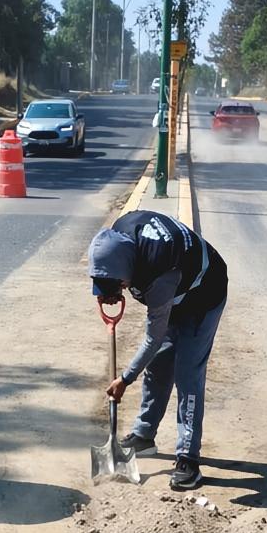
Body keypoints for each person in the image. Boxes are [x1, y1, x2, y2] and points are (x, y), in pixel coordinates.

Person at [87, 210, 227, 491]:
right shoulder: (118, 239)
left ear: (127, 272)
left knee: (188, 375)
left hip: (203, 294)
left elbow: (154, 336)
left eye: (117, 286)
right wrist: (108, 288)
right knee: (159, 366)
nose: (117, 291)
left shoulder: (157, 271)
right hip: (175, 292)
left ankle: (188, 460)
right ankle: (144, 435)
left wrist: (125, 379)